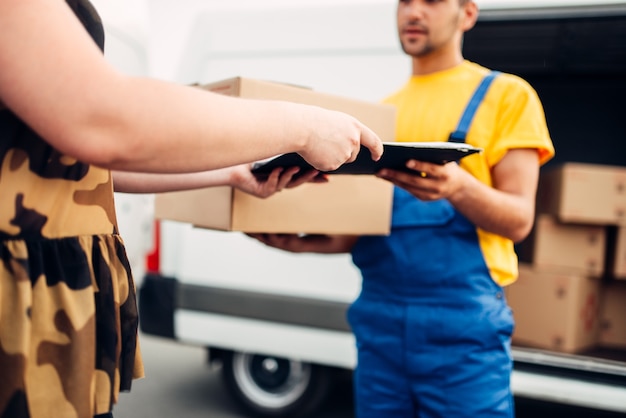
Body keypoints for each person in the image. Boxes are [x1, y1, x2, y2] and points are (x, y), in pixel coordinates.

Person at [0, 0, 385, 417]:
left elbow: (91, 164)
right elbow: (103, 119)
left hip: (48, 290)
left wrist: (233, 173)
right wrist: (306, 127)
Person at [249, 0, 556, 417]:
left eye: (431, 1)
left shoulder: (507, 96)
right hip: (379, 324)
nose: (414, 12)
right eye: (405, 1)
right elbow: (375, 226)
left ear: (467, 13)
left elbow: (519, 220)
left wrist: (458, 186)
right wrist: (304, 244)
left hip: (461, 330)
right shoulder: (379, 114)